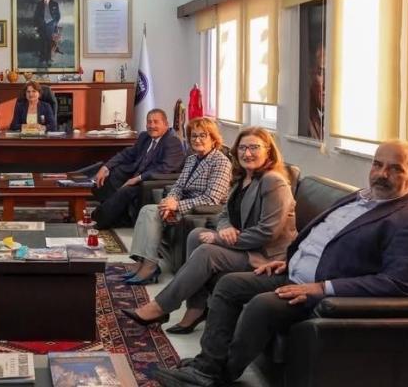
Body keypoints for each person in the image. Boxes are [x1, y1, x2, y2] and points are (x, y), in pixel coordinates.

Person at [154, 140, 408, 387]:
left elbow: (397, 283)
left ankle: (214, 375)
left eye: (395, 168)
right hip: (291, 274)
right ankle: (208, 363)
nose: (382, 173)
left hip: (324, 295)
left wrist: (322, 288)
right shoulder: (359, 198)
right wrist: (287, 261)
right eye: (377, 164)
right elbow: (320, 242)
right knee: (230, 284)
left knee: (261, 305)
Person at [124, 127, 297, 335]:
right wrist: (225, 227)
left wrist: (218, 238)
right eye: (242, 148)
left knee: (207, 251)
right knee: (196, 235)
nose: (247, 153)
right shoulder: (243, 178)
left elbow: (267, 232)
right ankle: (196, 308)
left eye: (254, 147)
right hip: (248, 247)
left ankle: (159, 307)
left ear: (268, 150)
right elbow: (224, 214)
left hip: (267, 256)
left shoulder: (273, 181)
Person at [122, 118, 232, 286]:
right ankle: (141, 261)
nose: (197, 140)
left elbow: (211, 199)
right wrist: (170, 200)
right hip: (181, 206)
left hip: (200, 210)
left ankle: (150, 266)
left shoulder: (221, 162)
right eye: (193, 136)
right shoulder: (192, 159)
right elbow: (178, 186)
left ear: (213, 139)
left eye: (203, 135)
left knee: (151, 211)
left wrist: (177, 206)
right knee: (147, 209)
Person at [90, 109, 185, 229]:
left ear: (166, 124)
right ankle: (118, 218)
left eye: (156, 122)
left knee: (125, 191)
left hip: (151, 181)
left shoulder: (172, 141)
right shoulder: (145, 136)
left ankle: (97, 219)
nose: (152, 126)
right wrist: (105, 167)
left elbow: (165, 168)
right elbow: (127, 154)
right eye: (149, 122)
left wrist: (138, 178)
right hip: (136, 173)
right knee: (110, 177)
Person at [33, 0, 60, 66]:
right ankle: (42, 59)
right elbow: (36, 16)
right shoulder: (39, 4)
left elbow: (58, 15)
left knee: (49, 42)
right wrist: (35, 26)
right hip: (41, 25)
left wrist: (54, 23)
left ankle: (48, 59)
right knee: (42, 42)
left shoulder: (55, 4)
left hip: (51, 26)